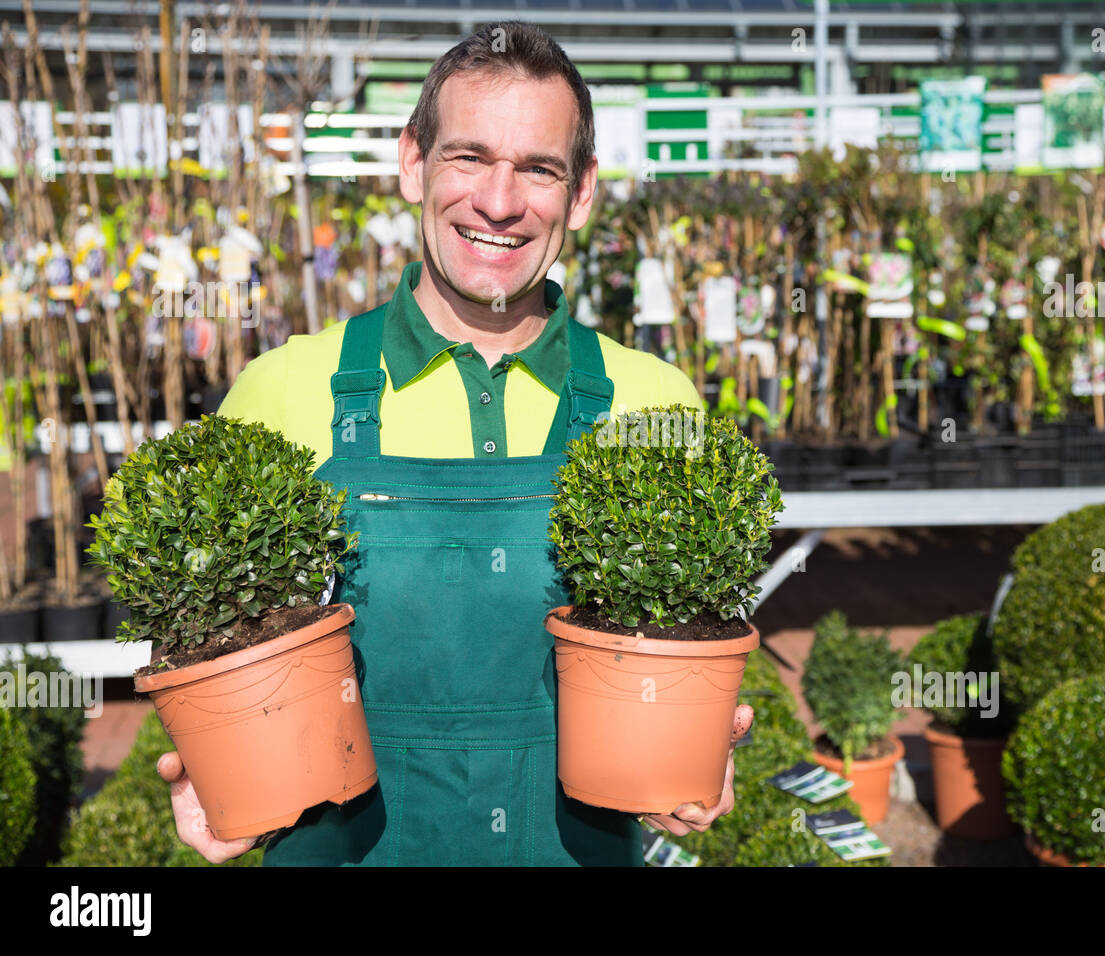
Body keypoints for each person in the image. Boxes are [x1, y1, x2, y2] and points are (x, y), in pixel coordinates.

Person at [155, 20, 754, 866]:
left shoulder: (655, 403)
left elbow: (693, 665)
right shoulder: (284, 391)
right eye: (469, 157)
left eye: (538, 169)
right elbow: (207, 640)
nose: (501, 203)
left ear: (581, 193)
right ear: (413, 164)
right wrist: (216, 774)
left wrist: (700, 751)